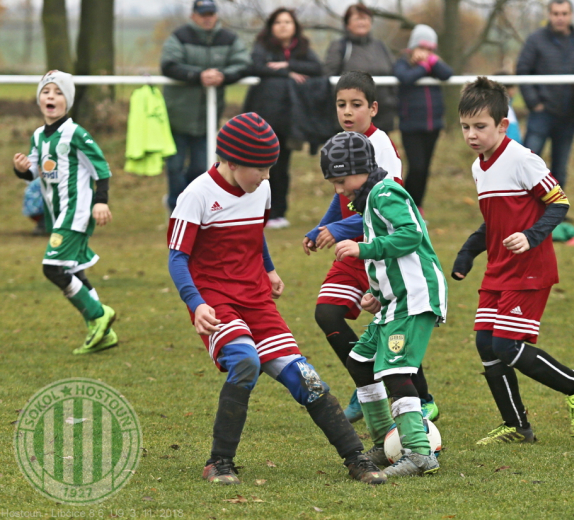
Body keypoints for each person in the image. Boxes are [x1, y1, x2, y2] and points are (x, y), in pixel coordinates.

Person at [167, 112, 386, 486]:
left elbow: (254, 235)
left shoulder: (260, 190)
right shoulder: (197, 195)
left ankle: (357, 459)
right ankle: (219, 462)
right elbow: (177, 257)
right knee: (246, 361)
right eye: (261, 169)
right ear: (231, 161)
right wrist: (197, 303)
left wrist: (267, 269)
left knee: (308, 379)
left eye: (271, 168)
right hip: (217, 300)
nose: (267, 177)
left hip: (256, 299)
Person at [452, 77, 574, 444]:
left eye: (480, 127)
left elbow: (560, 203)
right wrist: (468, 252)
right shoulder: (479, 167)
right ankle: (517, 426)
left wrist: (531, 236)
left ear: (503, 125)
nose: (472, 134)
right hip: (498, 269)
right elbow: (494, 221)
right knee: (486, 345)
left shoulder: (522, 158)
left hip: (529, 269)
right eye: (465, 127)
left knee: (506, 345)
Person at [303, 71, 439, 425]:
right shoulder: (343, 141)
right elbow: (343, 198)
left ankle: (418, 396)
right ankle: (369, 384)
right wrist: (320, 228)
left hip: (380, 249)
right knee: (328, 313)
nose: (347, 112)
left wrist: (338, 230)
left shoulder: (381, 148)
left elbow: (388, 210)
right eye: (341, 105)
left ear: (374, 108)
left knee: (393, 320)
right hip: (351, 247)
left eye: (356, 105)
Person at [323, 132, 447, 477]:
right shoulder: (368, 200)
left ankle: (421, 455)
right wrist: (377, 293)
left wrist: (362, 248)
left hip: (417, 297)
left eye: (341, 181)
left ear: (361, 170)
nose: (339, 190)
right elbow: (394, 257)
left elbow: (411, 235)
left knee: (395, 370)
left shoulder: (386, 192)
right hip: (396, 299)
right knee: (360, 361)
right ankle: (384, 441)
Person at [12, 70, 117, 355]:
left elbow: (101, 168)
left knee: (53, 268)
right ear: (39, 99)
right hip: (59, 214)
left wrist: (101, 201)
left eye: (58, 93)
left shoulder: (75, 133)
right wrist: (21, 168)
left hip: (77, 211)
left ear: (67, 102)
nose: (51, 97)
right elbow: (34, 171)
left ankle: (98, 315)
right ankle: (102, 332)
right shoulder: (38, 136)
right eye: (47, 91)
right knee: (72, 269)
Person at [161, 0, 251, 212]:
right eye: (203, 14)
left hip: (207, 118)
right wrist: (198, 75)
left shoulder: (229, 38)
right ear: (193, 15)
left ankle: (192, 208)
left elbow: (244, 63)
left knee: (201, 167)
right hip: (177, 115)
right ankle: (175, 205)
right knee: (174, 166)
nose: (207, 17)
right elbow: (169, 65)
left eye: (211, 13)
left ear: (216, 15)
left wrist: (223, 76)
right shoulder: (179, 36)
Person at [243, 8, 323, 230]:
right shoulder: (262, 46)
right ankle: (258, 212)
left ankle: (279, 211)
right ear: (271, 26)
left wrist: (287, 66)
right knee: (259, 167)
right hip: (264, 117)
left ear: (295, 25)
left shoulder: (303, 48)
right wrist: (286, 74)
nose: (283, 25)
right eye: (278, 22)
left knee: (282, 166)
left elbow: (316, 68)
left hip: (290, 119)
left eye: (287, 21)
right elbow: (256, 67)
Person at [516, 0, 574, 188]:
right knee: (528, 165)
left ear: (571, 15)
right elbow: (522, 70)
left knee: (560, 169)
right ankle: (523, 212)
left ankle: (555, 214)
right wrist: (534, 103)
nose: (560, 18)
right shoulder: (535, 40)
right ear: (549, 15)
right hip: (542, 113)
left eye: (564, 13)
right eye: (556, 13)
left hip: (568, 116)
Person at [394, 24, 453, 214]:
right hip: (411, 125)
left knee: (425, 168)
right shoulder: (403, 63)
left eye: (430, 50)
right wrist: (423, 67)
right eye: (422, 48)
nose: (426, 53)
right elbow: (405, 78)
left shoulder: (434, 66)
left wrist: (432, 63)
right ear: (412, 47)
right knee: (416, 167)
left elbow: (447, 74)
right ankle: (406, 206)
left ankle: (418, 207)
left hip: (433, 125)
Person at [324, 4, 397, 133]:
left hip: (383, 115)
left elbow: (394, 71)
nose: (362, 22)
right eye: (357, 18)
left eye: (365, 18)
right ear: (347, 24)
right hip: (352, 119)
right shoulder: (340, 47)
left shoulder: (380, 46)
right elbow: (328, 77)